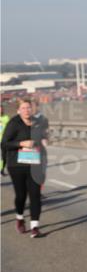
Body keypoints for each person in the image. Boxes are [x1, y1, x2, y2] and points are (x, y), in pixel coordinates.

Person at [1, 98, 48, 237]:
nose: (27, 110)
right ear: (18, 110)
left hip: (35, 164)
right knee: (21, 195)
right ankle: (20, 218)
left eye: (29, 108)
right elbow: (4, 144)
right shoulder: (13, 123)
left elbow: (43, 136)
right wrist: (21, 143)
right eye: (23, 108)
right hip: (17, 164)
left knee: (35, 195)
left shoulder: (38, 122)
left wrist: (44, 140)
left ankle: (35, 227)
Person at [0, 105, 9, 176]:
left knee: (3, 156)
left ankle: (2, 170)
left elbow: (9, 128)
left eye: (1, 109)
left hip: (4, 140)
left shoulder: (6, 117)